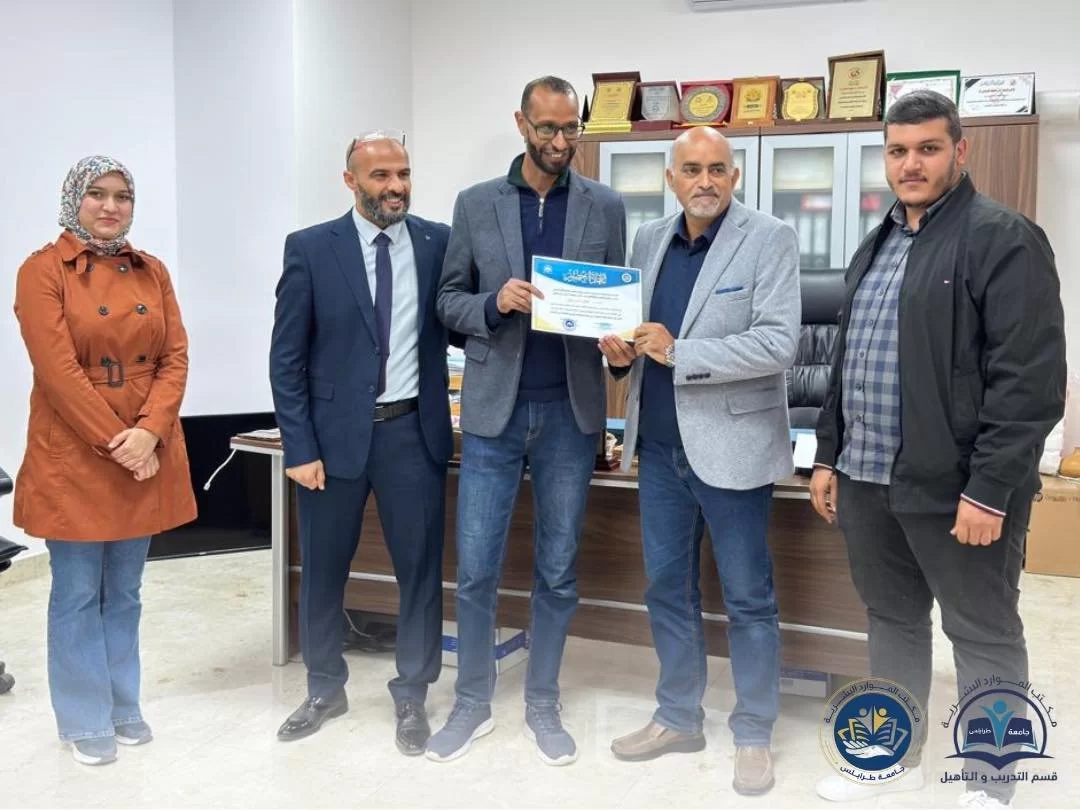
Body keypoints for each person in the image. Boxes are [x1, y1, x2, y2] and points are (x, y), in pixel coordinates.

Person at [809, 91, 1066, 808]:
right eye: (898, 151)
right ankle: (893, 758)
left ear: (960, 150)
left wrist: (989, 488)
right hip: (868, 480)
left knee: (982, 633)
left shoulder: (1003, 238)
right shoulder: (877, 242)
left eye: (927, 148)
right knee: (891, 622)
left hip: (957, 489)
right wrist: (828, 454)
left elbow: (1030, 382)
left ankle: (991, 781)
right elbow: (846, 362)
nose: (911, 164)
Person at [429, 76, 626, 766]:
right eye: (549, 128)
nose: (561, 141)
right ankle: (472, 701)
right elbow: (447, 301)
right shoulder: (476, 202)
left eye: (572, 128)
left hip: (571, 413)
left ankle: (543, 700)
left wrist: (621, 345)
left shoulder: (605, 205)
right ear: (521, 124)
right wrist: (494, 303)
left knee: (559, 569)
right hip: (494, 412)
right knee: (477, 568)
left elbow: (617, 304)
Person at [599, 127, 799, 796]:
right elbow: (638, 339)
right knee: (666, 589)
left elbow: (777, 344)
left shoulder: (768, 238)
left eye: (717, 168)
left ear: (734, 176)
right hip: (658, 450)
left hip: (733, 449)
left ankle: (753, 732)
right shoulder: (648, 240)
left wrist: (678, 351)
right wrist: (620, 354)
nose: (704, 180)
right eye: (691, 169)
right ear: (671, 178)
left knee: (747, 598)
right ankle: (678, 716)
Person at [270, 131, 454, 756]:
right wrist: (299, 448)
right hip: (330, 441)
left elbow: (460, 319)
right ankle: (325, 688)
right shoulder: (310, 248)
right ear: (350, 180)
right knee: (324, 570)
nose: (396, 187)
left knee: (420, 571)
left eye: (403, 173)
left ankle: (413, 693)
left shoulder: (437, 243)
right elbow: (286, 359)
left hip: (412, 433)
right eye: (380, 176)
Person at [13, 155, 197, 766]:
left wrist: (149, 433)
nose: (111, 206)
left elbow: (175, 357)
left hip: (145, 446)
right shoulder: (42, 270)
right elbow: (57, 372)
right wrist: (121, 442)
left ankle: (123, 706)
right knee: (74, 592)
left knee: (125, 591)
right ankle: (82, 716)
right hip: (76, 453)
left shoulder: (152, 271)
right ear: (75, 199)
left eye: (122, 196)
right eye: (97, 194)